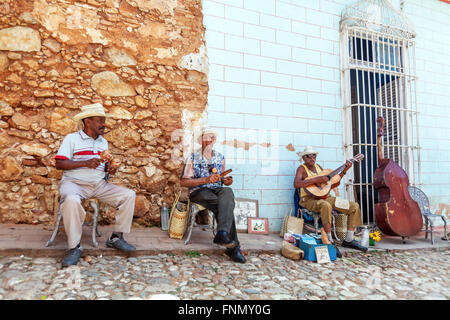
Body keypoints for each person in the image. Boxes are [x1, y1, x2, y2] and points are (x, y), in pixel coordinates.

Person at [55, 103, 136, 268]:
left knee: (128, 195)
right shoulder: (72, 139)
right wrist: (85, 162)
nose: (103, 124)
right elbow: (59, 163)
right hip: (74, 184)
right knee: (71, 200)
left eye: (104, 120)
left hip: (98, 185)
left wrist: (110, 168)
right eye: (100, 120)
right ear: (87, 122)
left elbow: (103, 167)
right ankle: (74, 247)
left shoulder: (103, 143)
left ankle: (116, 238)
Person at [180, 128, 246, 263]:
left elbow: (223, 179)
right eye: (206, 138)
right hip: (199, 191)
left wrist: (227, 181)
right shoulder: (192, 157)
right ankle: (233, 248)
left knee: (227, 192)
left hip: (216, 190)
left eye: (212, 138)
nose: (209, 140)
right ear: (201, 141)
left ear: (214, 140)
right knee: (225, 206)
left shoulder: (220, 157)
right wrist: (205, 180)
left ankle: (222, 233)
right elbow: (184, 182)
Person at [293, 146, 367, 253]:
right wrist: (318, 179)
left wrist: (345, 170)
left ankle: (349, 240)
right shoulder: (301, 169)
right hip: (308, 199)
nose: (312, 158)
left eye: (314, 155)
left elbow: (330, 183)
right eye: (308, 156)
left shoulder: (319, 167)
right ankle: (329, 240)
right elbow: (296, 184)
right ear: (303, 158)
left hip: (325, 197)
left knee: (354, 206)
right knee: (325, 205)